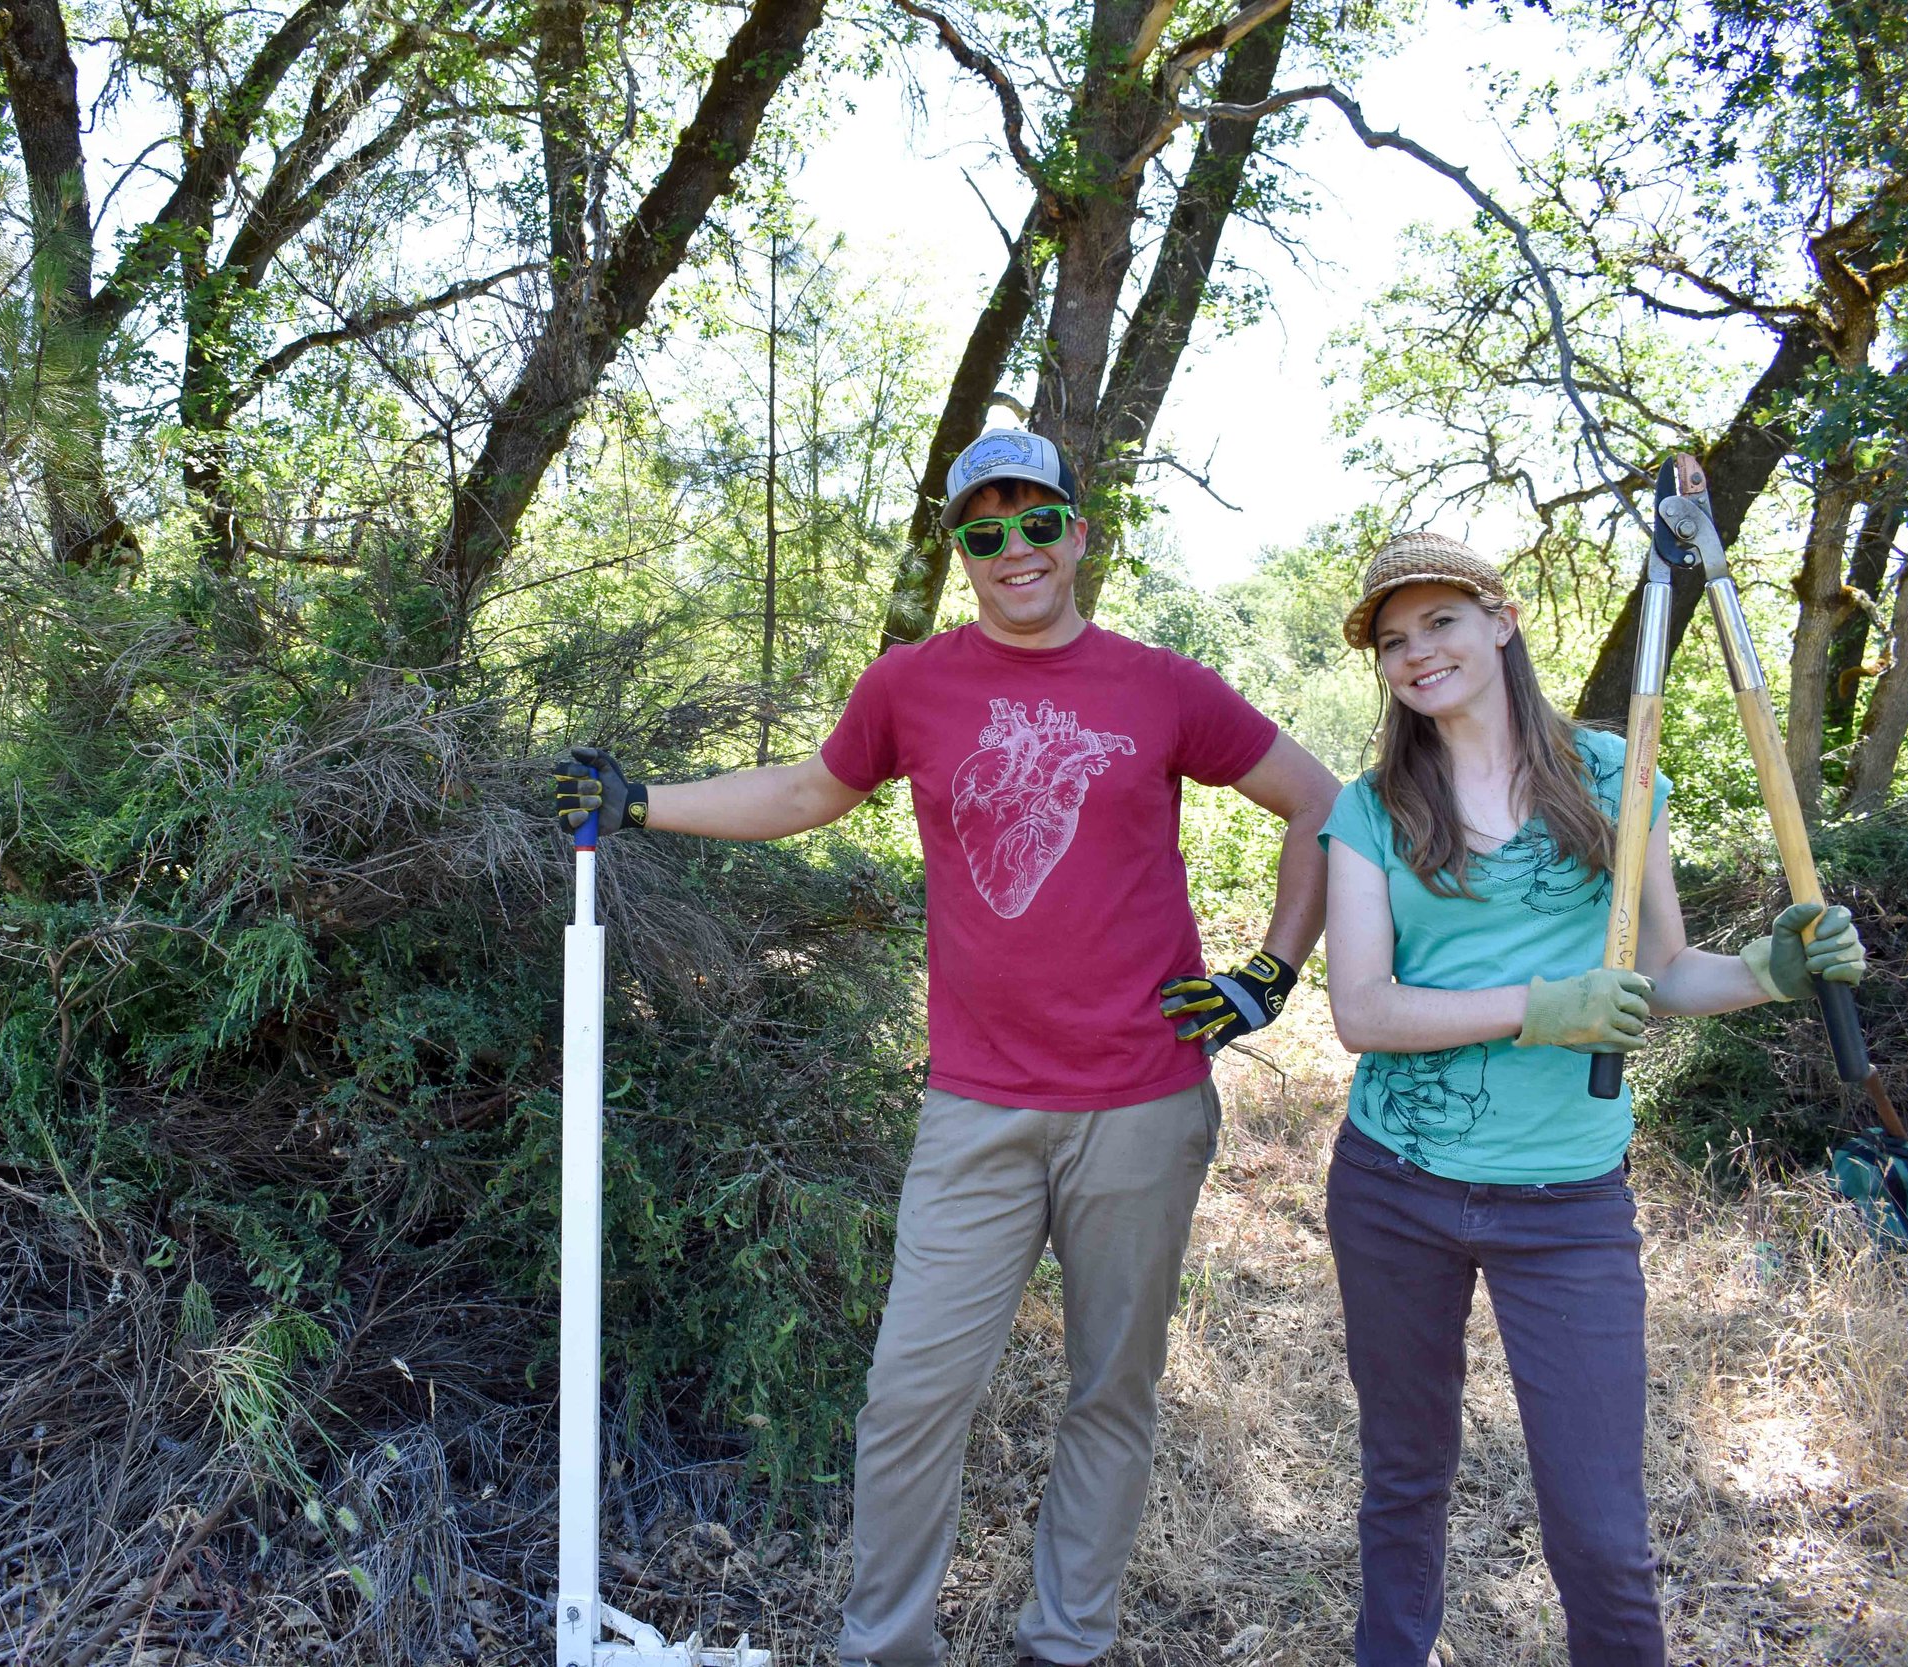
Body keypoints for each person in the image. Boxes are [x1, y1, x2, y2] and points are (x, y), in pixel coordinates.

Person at [553, 427, 1339, 1667]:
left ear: (1079, 534)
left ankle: (1064, 1643)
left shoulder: (1162, 686)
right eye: (984, 529)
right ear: (958, 550)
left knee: (1110, 1390)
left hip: (1141, 1101)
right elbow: (805, 793)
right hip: (976, 1104)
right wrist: (641, 802)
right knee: (912, 1394)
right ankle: (886, 1647)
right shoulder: (908, 684)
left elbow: (1320, 801)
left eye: (1037, 522)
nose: (1013, 547)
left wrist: (1269, 974)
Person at [1318, 532, 1867, 1667]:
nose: (1417, 652)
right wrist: (1539, 1004)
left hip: (1566, 1200)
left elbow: (1661, 973)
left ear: (1501, 619)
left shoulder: (1619, 774)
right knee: (1404, 1475)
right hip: (1394, 1186)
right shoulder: (1370, 809)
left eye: (1440, 621)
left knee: (1601, 1525)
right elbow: (1362, 1011)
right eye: (1392, 638)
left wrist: (1768, 971)